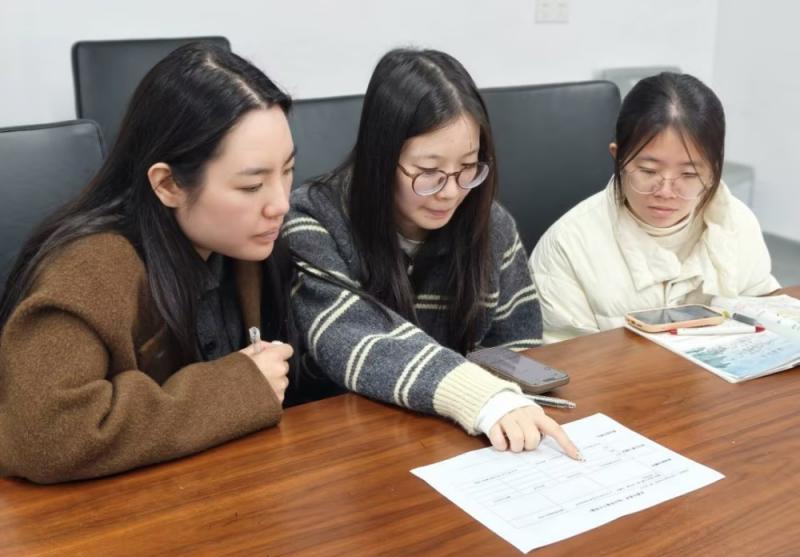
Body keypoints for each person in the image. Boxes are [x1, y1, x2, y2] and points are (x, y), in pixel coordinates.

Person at [0, 43, 296, 483]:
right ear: (168, 184)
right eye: (252, 186)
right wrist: (239, 386)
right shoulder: (89, 271)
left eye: (288, 170)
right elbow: (45, 435)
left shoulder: (246, 244)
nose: (280, 204)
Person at [285, 48, 580, 458]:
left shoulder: (491, 226)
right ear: (380, 159)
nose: (451, 192)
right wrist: (481, 397)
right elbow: (351, 338)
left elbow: (518, 347)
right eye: (428, 172)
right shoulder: (313, 219)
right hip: (347, 447)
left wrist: (512, 399)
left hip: (457, 442)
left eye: (468, 167)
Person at [530, 72, 780, 343]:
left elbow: (767, 317)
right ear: (618, 158)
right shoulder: (567, 247)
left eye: (689, 174)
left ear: (714, 171)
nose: (665, 192)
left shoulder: (737, 222)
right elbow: (562, 359)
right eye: (648, 171)